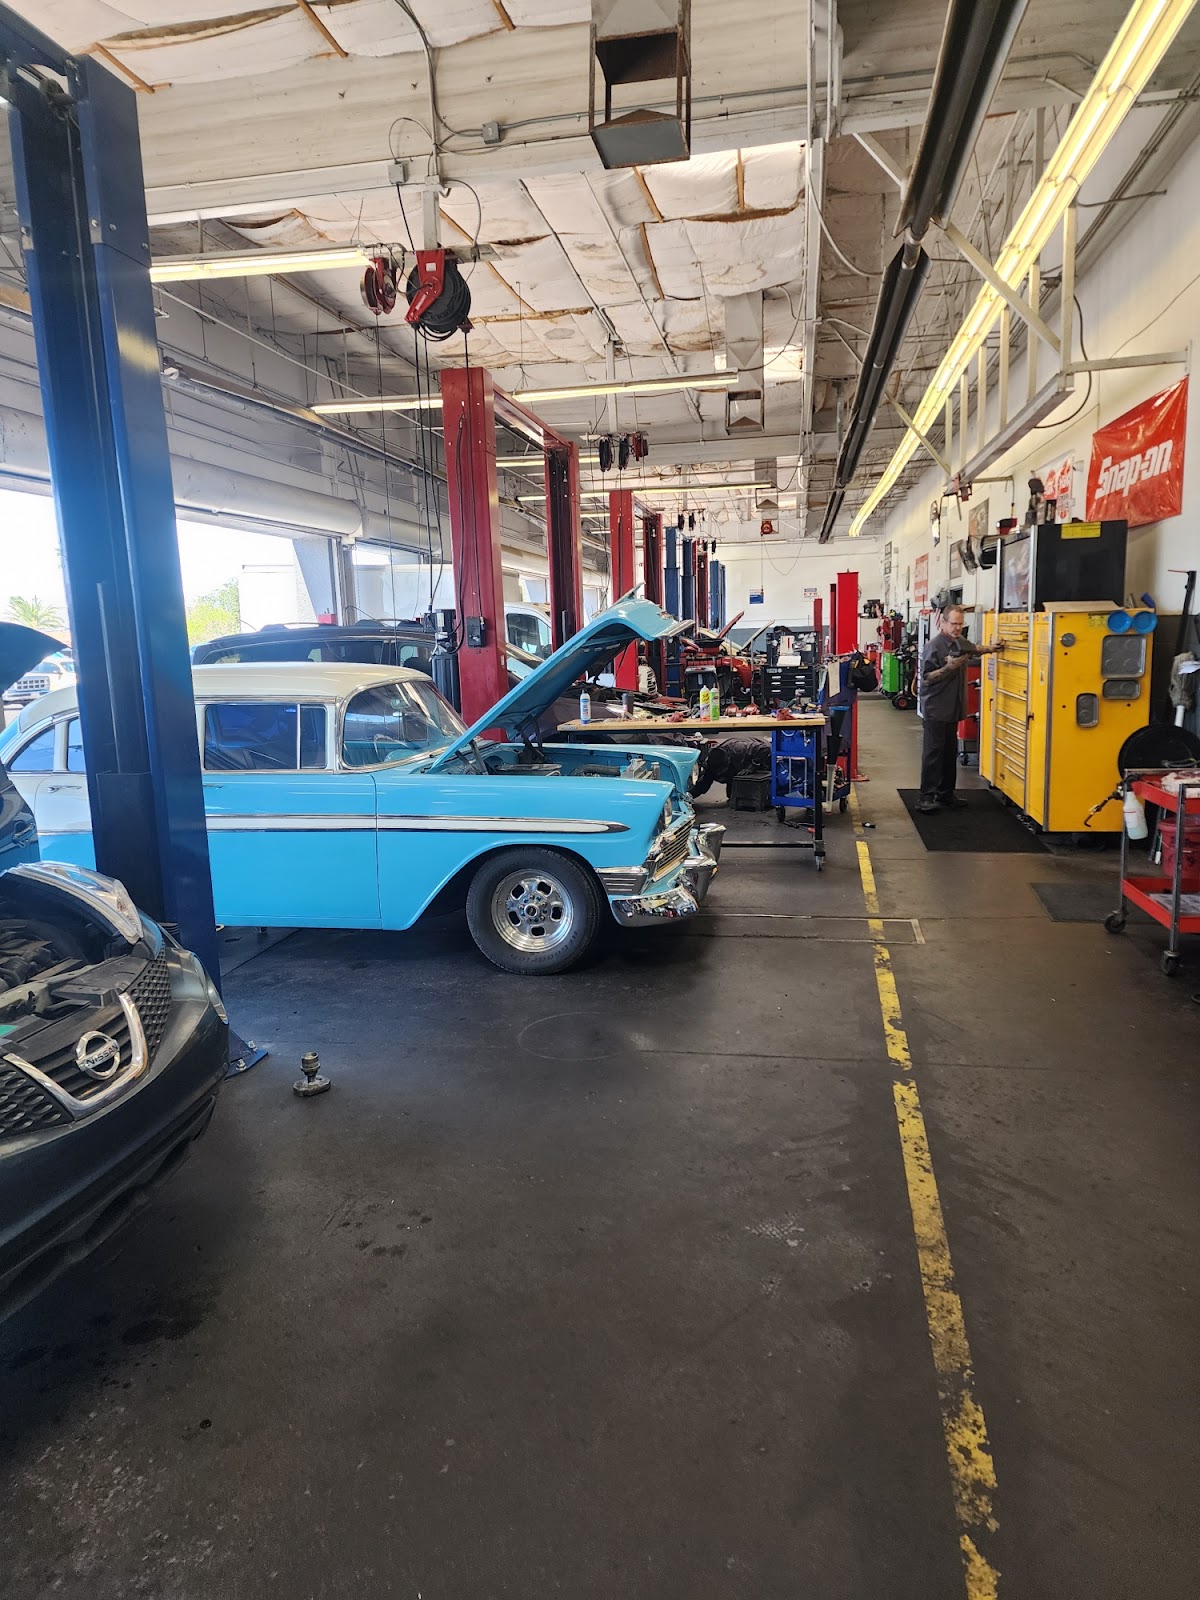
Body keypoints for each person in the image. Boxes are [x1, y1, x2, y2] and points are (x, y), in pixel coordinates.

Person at [916, 605, 1003, 814]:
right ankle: (926, 797)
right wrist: (948, 668)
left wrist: (993, 648)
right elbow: (926, 678)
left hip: (952, 708)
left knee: (949, 752)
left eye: (960, 624)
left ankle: (945, 794)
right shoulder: (934, 646)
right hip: (936, 708)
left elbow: (974, 648)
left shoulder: (959, 642)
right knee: (933, 753)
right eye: (954, 624)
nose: (957, 628)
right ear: (943, 622)